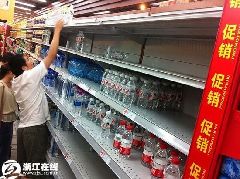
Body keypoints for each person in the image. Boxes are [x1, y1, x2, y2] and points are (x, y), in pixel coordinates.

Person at [5, 20, 64, 178]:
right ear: (24, 67)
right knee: (35, 172)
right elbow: (51, 55)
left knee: (25, 171)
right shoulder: (30, 76)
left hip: (24, 128)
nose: (30, 59)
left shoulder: (17, 81)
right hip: (35, 130)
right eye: (27, 59)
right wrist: (57, 30)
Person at [0, 60, 17, 176]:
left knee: (7, 145)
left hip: (10, 120)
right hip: (3, 122)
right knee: (3, 147)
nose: (14, 75)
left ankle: (6, 166)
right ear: (9, 72)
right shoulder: (1, 85)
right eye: (13, 73)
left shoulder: (10, 85)